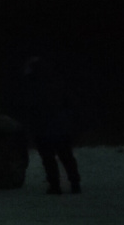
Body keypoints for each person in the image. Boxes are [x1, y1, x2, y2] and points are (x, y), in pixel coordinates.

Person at [18, 55, 81, 194]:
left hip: (43, 128)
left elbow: (29, 107)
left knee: (48, 158)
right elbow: (69, 103)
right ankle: (74, 182)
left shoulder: (32, 85)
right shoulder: (57, 81)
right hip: (61, 127)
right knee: (66, 156)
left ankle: (55, 185)